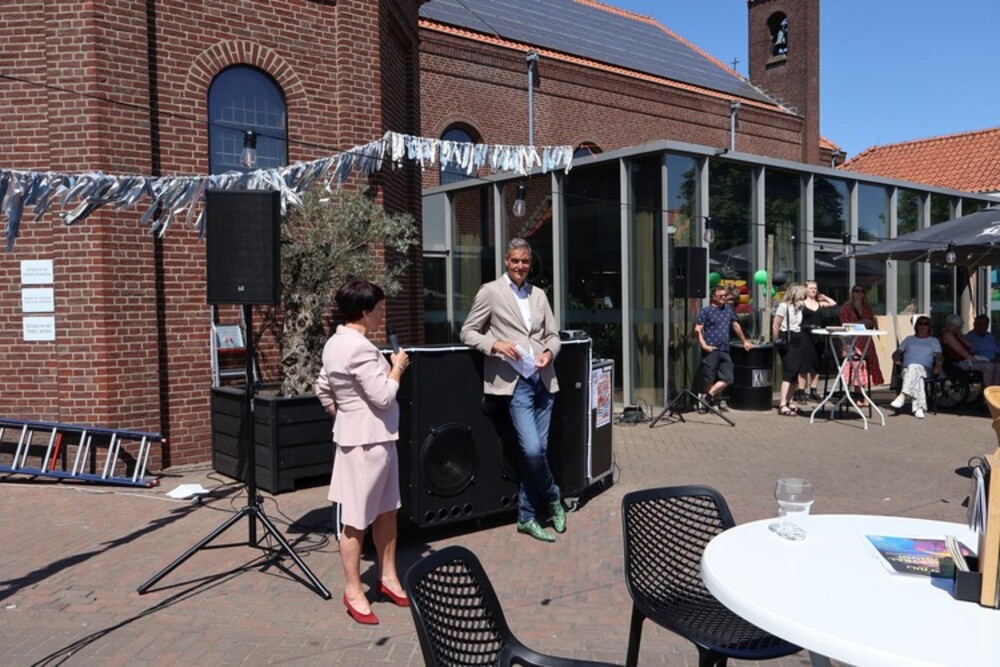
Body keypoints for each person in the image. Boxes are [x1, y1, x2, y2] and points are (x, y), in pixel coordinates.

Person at [314, 279, 411, 625]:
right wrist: (397, 367)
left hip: (373, 439)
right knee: (356, 520)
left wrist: (341, 412)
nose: (383, 315)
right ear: (365, 312)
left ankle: (388, 578)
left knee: (387, 511)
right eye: (380, 309)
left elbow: (323, 385)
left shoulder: (335, 343)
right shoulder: (360, 349)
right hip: (366, 444)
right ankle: (354, 590)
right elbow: (383, 397)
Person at [460, 238, 566, 543]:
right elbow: (467, 332)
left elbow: (553, 335)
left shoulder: (539, 294)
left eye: (525, 261)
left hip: (544, 381)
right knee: (531, 450)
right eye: (515, 260)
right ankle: (553, 495)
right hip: (516, 384)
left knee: (539, 452)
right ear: (506, 261)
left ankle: (526, 517)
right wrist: (495, 344)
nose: (521, 266)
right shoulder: (491, 292)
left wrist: (550, 353)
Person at [695, 284, 753, 411]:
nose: (724, 298)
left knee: (728, 377)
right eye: (721, 295)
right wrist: (704, 345)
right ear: (713, 297)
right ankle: (711, 403)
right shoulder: (706, 311)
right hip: (711, 350)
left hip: (724, 349)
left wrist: (744, 341)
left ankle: (708, 397)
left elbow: (735, 325)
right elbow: (698, 330)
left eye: (725, 295)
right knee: (709, 378)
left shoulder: (728, 309)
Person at [838, 284, 884, 406]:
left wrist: (869, 323)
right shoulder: (846, 308)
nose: (859, 293)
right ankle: (859, 396)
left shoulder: (867, 308)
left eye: (862, 291)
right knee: (856, 367)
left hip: (866, 341)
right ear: (852, 293)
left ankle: (864, 396)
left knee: (867, 368)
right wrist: (861, 323)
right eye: (856, 291)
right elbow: (844, 324)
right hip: (852, 341)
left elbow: (872, 322)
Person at [890, 316, 942, 419]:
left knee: (915, 367)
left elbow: (939, 357)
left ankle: (903, 395)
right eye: (920, 323)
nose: (923, 326)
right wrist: (896, 360)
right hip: (907, 370)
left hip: (926, 369)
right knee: (918, 378)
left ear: (929, 326)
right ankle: (919, 408)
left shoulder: (933, 341)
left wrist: (938, 366)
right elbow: (896, 354)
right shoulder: (909, 339)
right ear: (916, 326)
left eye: (926, 324)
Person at [797, 280, 837, 402]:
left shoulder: (820, 303)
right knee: (804, 364)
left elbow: (833, 303)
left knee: (816, 362)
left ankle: (813, 390)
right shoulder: (801, 303)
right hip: (805, 334)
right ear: (805, 290)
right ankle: (801, 391)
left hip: (817, 335)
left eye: (815, 288)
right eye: (811, 288)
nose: (813, 290)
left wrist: (824, 296)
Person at [772, 283, 806, 415]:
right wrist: (777, 340)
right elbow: (776, 324)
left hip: (797, 338)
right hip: (786, 338)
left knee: (795, 371)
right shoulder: (783, 306)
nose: (803, 296)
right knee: (789, 370)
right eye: (801, 294)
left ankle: (790, 400)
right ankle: (782, 403)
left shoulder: (800, 306)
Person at [941, 314, 1000, 386]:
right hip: (958, 362)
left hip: (967, 360)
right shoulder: (948, 335)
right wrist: (974, 360)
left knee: (997, 367)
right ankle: (988, 389)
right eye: (959, 327)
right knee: (988, 366)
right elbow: (960, 350)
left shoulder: (958, 335)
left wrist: (961, 337)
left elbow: (972, 346)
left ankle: (996, 389)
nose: (960, 328)